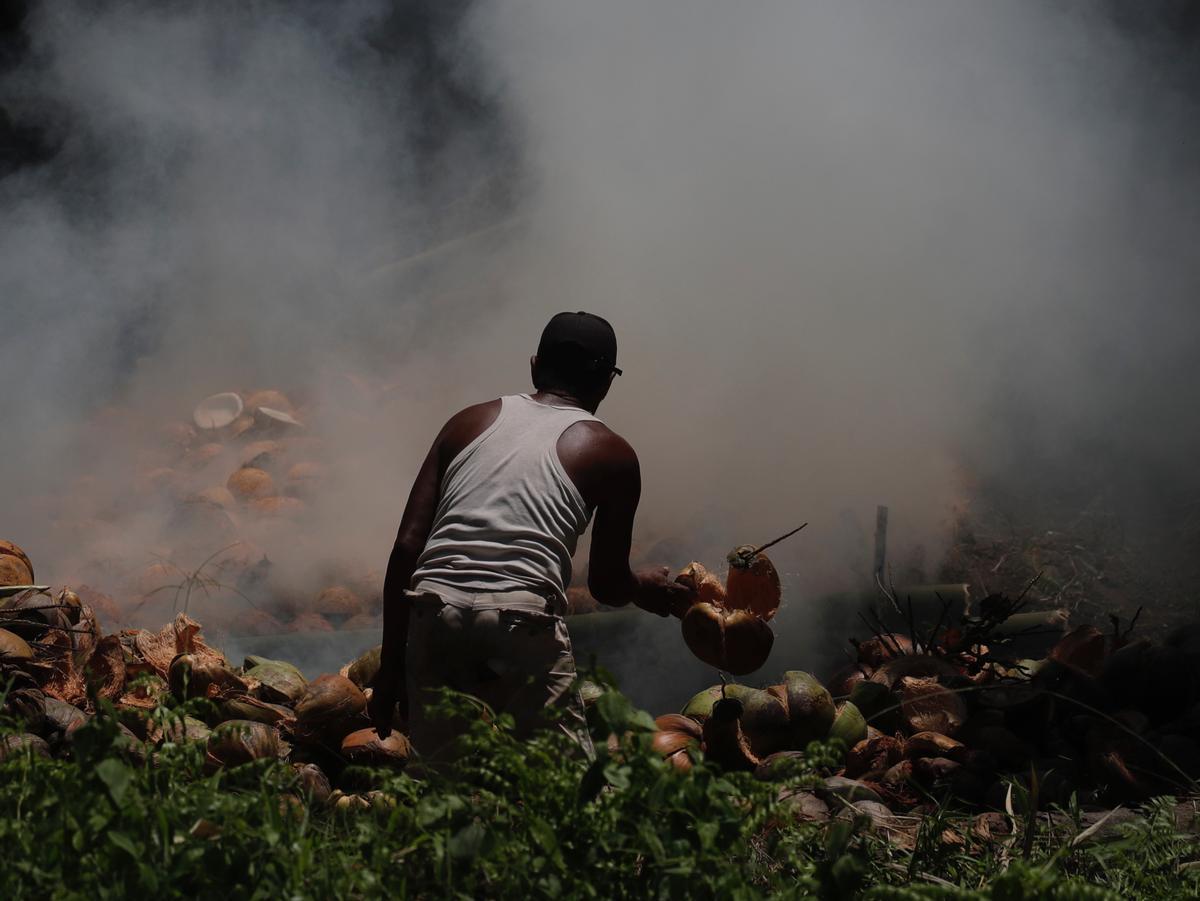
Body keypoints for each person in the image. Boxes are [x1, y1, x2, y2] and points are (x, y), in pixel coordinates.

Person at [368, 311, 693, 757]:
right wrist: (645, 589)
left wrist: (390, 667)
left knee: (448, 792)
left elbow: (407, 547)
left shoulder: (467, 422)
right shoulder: (612, 453)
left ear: (535, 366)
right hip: (519, 620)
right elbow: (607, 584)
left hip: (433, 608)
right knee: (561, 791)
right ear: (606, 384)